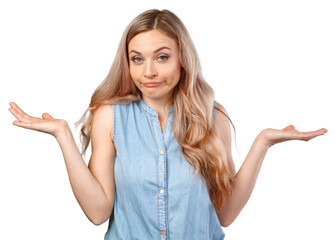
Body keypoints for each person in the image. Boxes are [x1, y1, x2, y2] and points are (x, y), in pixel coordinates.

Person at [8, 9, 327, 240]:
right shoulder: (110, 116)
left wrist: (263, 143)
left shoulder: (212, 117)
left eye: (162, 57)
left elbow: (225, 214)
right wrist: (63, 135)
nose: (148, 71)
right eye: (137, 59)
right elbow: (98, 212)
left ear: (182, 58)